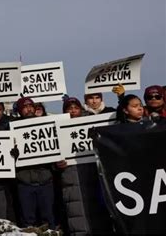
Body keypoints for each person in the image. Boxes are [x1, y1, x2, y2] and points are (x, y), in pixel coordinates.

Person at [56, 96, 113, 235]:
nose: (73, 111)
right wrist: (57, 165)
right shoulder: (57, 128)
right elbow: (52, 155)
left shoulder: (93, 123)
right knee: (77, 212)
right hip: (71, 177)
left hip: (92, 172)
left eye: (76, 108)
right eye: (69, 108)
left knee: (98, 212)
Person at [13, 97, 56, 229]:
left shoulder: (46, 125)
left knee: (48, 220)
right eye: (25, 107)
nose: (29, 109)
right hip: (25, 181)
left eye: (31, 106)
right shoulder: (12, 129)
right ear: (20, 111)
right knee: (28, 221)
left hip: (45, 179)